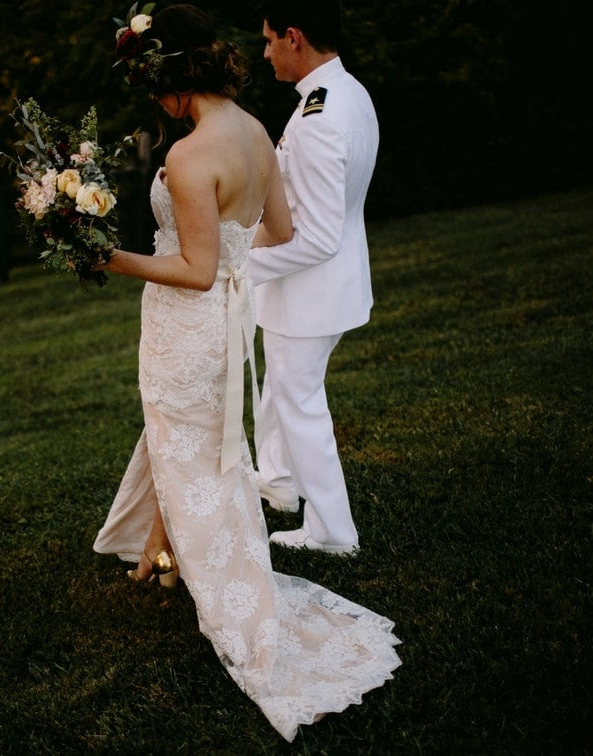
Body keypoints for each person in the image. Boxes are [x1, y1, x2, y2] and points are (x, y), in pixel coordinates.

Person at [93, 3, 399, 741]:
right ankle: (153, 555)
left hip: (188, 323)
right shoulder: (258, 130)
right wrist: (233, 263)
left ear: (169, 82)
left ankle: (209, 578)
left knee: (187, 442)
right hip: (226, 325)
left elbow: (194, 271)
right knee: (188, 440)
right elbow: (282, 230)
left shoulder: (191, 155)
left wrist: (105, 258)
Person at [249, 0, 379, 556]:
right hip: (330, 285)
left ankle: (332, 530)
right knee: (281, 393)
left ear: (294, 37)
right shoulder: (348, 92)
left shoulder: (317, 119)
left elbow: (318, 237)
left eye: (268, 39)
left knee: (301, 405)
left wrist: (240, 268)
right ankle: (278, 484)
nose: (265, 52)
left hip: (309, 296)